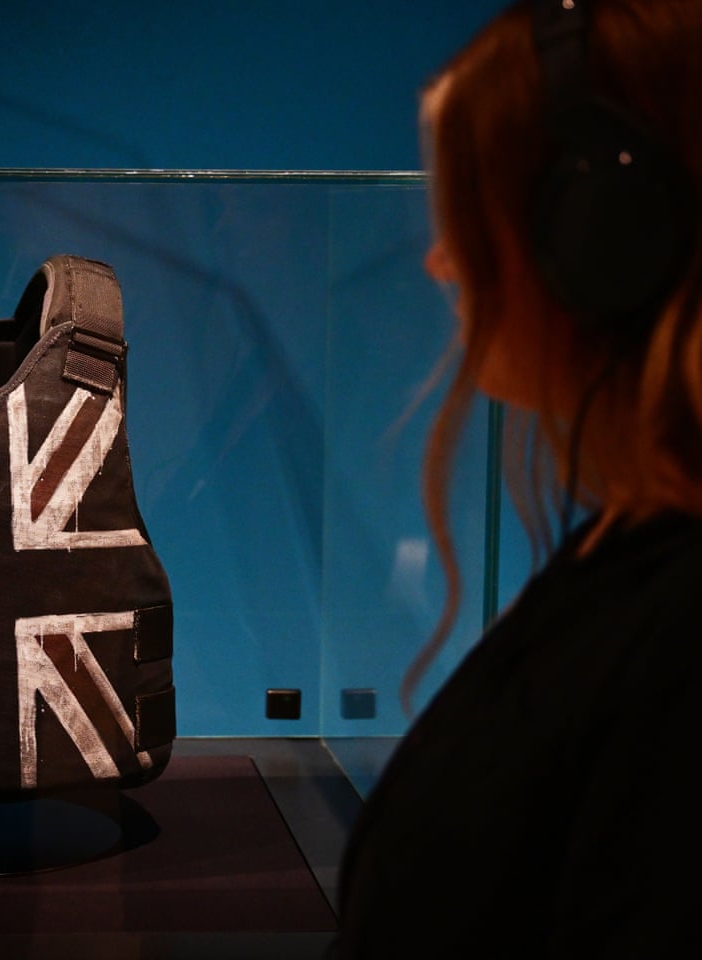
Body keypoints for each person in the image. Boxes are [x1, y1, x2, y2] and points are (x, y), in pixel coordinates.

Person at [330, 0, 702, 955]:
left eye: (471, 212)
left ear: (603, 234)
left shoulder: (677, 630)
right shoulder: (629, 553)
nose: (439, 256)